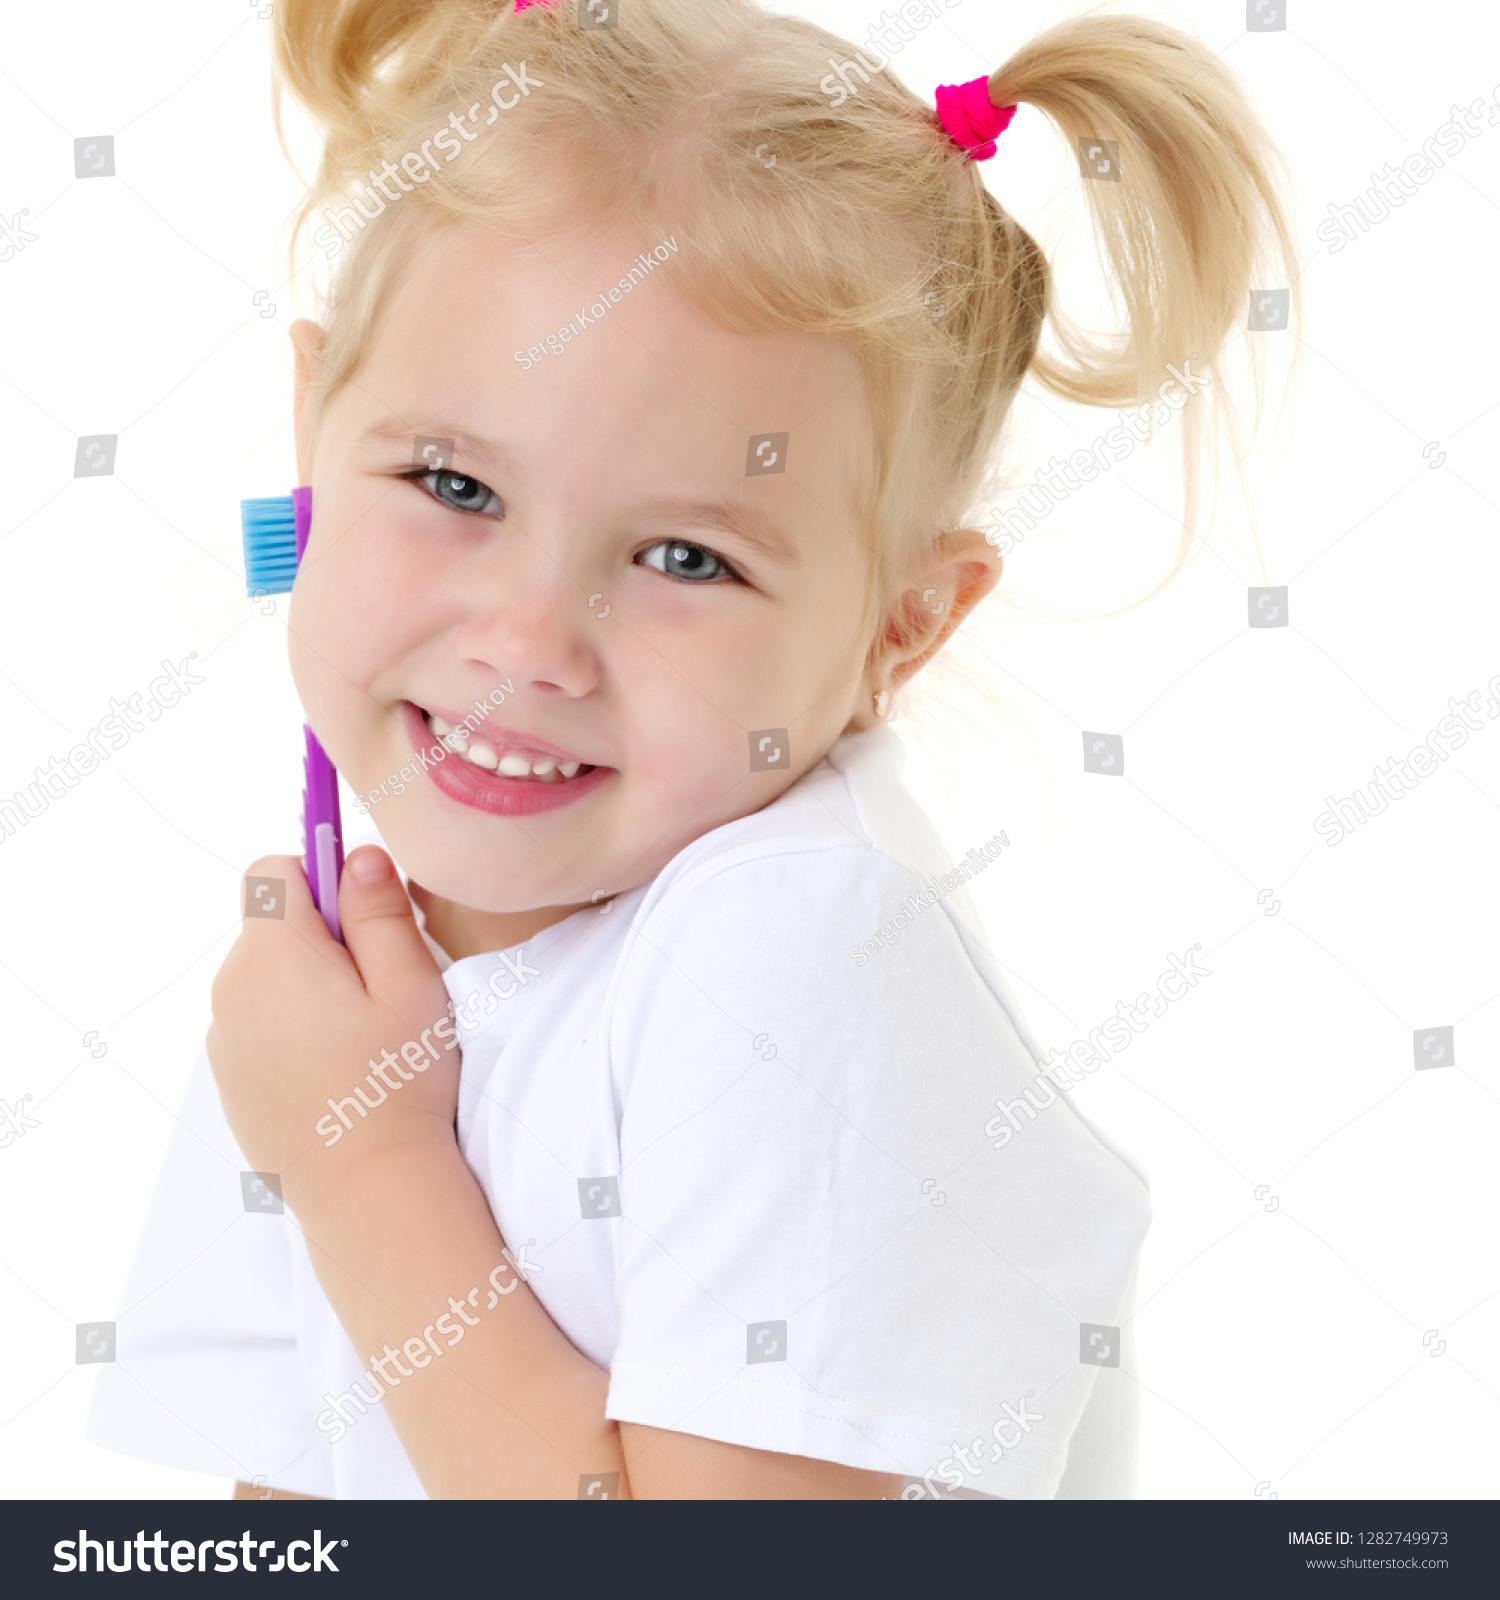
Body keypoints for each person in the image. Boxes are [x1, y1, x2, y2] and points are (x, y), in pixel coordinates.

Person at [87, 0, 1297, 1499]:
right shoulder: (329, 998)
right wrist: (338, 1129)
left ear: (898, 632)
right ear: (310, 440)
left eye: (683, 557)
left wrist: (363, 1169)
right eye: (454, 482)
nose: (528, 639)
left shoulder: (798, 940)